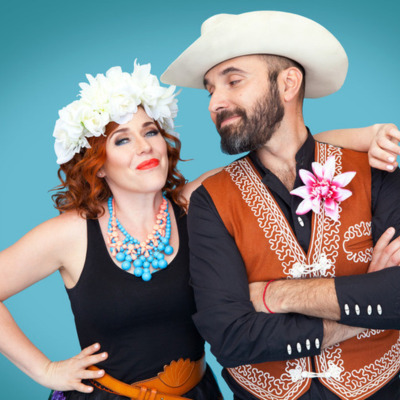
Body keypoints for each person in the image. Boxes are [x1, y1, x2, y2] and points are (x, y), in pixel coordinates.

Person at [0, 61, 393, 399]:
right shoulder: (70, 234)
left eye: (150, 132)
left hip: (201, 392)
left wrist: (369, 135)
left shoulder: (193, 203)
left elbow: (282, 150)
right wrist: (45, 370)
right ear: (98, 164)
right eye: (122, 140)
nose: (144, 147)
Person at [160, 10, 400, 400]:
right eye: (209, 90)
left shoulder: (376, 172)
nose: (214, 102)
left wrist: (278, 295)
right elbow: (232, 340)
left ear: (288, 83)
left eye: (233, 81)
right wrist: (364, 307)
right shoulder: (210, 201)